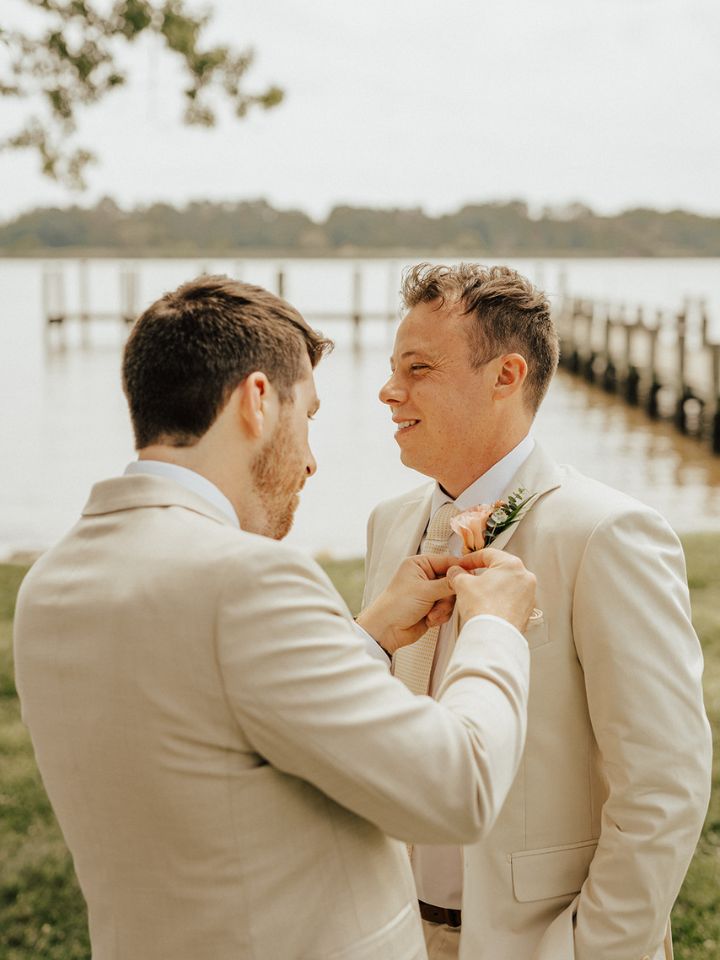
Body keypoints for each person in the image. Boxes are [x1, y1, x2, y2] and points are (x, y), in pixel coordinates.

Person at [14, 275, 537, 960]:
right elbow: (456, 788)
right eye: (309, 417)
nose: (314, 461)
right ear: (257, 401)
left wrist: (364, 639)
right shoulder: (248, 581)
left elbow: (210, 725)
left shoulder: (52, 584)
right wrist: (495, 630)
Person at [363, 262, 712, 960]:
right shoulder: (388, 525)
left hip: (539, 941)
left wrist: (589, 948)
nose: (388, 391)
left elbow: (662, 784)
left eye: (419, 368)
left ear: (506, 376)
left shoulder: (608, 534)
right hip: (393, 932)